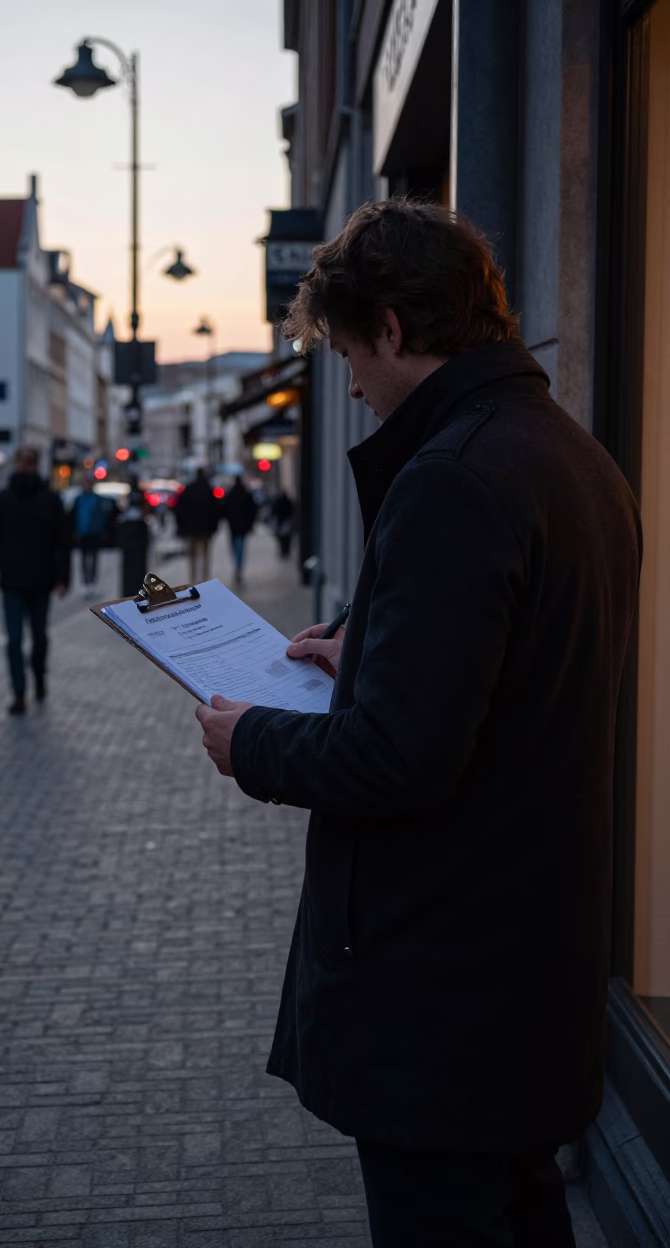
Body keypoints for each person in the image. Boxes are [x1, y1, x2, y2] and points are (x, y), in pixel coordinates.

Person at [194, 199, 641, 1247]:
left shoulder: (449, 477)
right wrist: (372, 647)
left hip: (441, 985)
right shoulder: (573, 457)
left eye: (352, 352)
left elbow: (399, 757)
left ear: (393, 328)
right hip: (527, 960)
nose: (351, 385)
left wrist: (250, 740)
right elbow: (522, 670)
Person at [0, 447, 70, 715]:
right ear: (16, 463)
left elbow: (63, 541)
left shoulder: (50, 499)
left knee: (39, 637)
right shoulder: (3, 499)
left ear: (36, 464)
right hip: (12, 581)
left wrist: (62, 578)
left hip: (41, 580)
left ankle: (39, 676)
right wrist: (2, 562)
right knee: (14, 640)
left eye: (31, 462)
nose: (26, 466)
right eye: (23, 462)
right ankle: (19, 691)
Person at [175, 466, 221, 584]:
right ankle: (205, 577)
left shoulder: (189, 489)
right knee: (205, 553)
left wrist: (181, 526)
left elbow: (180, 509)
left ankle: (193, 577)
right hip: (206, 528)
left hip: (191, 528)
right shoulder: (209, 489)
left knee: (192, 554)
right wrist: (214, 526)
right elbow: (216, 510)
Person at [72, 478, 107, 597]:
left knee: (93, 559)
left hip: (93, 533)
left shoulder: (96, 499)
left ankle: (92, 583)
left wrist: (99, 529)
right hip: (82, 533)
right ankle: (85, 583)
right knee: (83, 560)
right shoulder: (79, 499)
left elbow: (101, 516)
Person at [223, 475, 258, 585]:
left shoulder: (231, 494)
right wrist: (250, 524)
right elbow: (252, 509)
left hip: (233, 527)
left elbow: (224, 509)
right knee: (241, 547)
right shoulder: (246, 494)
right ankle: (239, 566)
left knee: (235, 546)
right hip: (242, 527)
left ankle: (237, 566)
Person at [271, 489, 295, 559]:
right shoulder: (287, 502)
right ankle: (286, 551)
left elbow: (274, 511)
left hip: (281, 522)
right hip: (285, 521)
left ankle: (283, 551)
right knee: (286, 538)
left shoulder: (279, 502)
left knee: (282, 538)